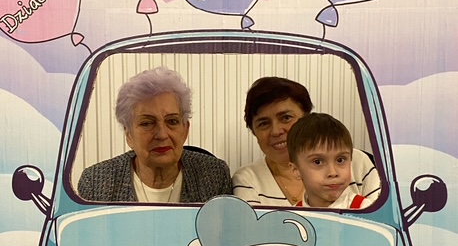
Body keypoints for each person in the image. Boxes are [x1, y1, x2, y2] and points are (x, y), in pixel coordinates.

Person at [77, 67, 232, 203]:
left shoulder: (214, 177)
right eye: (147, 123)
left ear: (185, 130)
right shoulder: (95, 184)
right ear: (129, 134)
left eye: (172, 121)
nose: (162, 134)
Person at [232, 76, 380, 206]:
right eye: (264, 123)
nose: (276, 131)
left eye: (286, 118)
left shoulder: (358, 161)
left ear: (306, 119)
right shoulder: (247, 180)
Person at [288, 113, 370, 209]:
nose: (333, 173)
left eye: (340, 160)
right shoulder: (291, 215)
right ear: (296, 170)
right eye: (318, 162)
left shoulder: (367, 210)